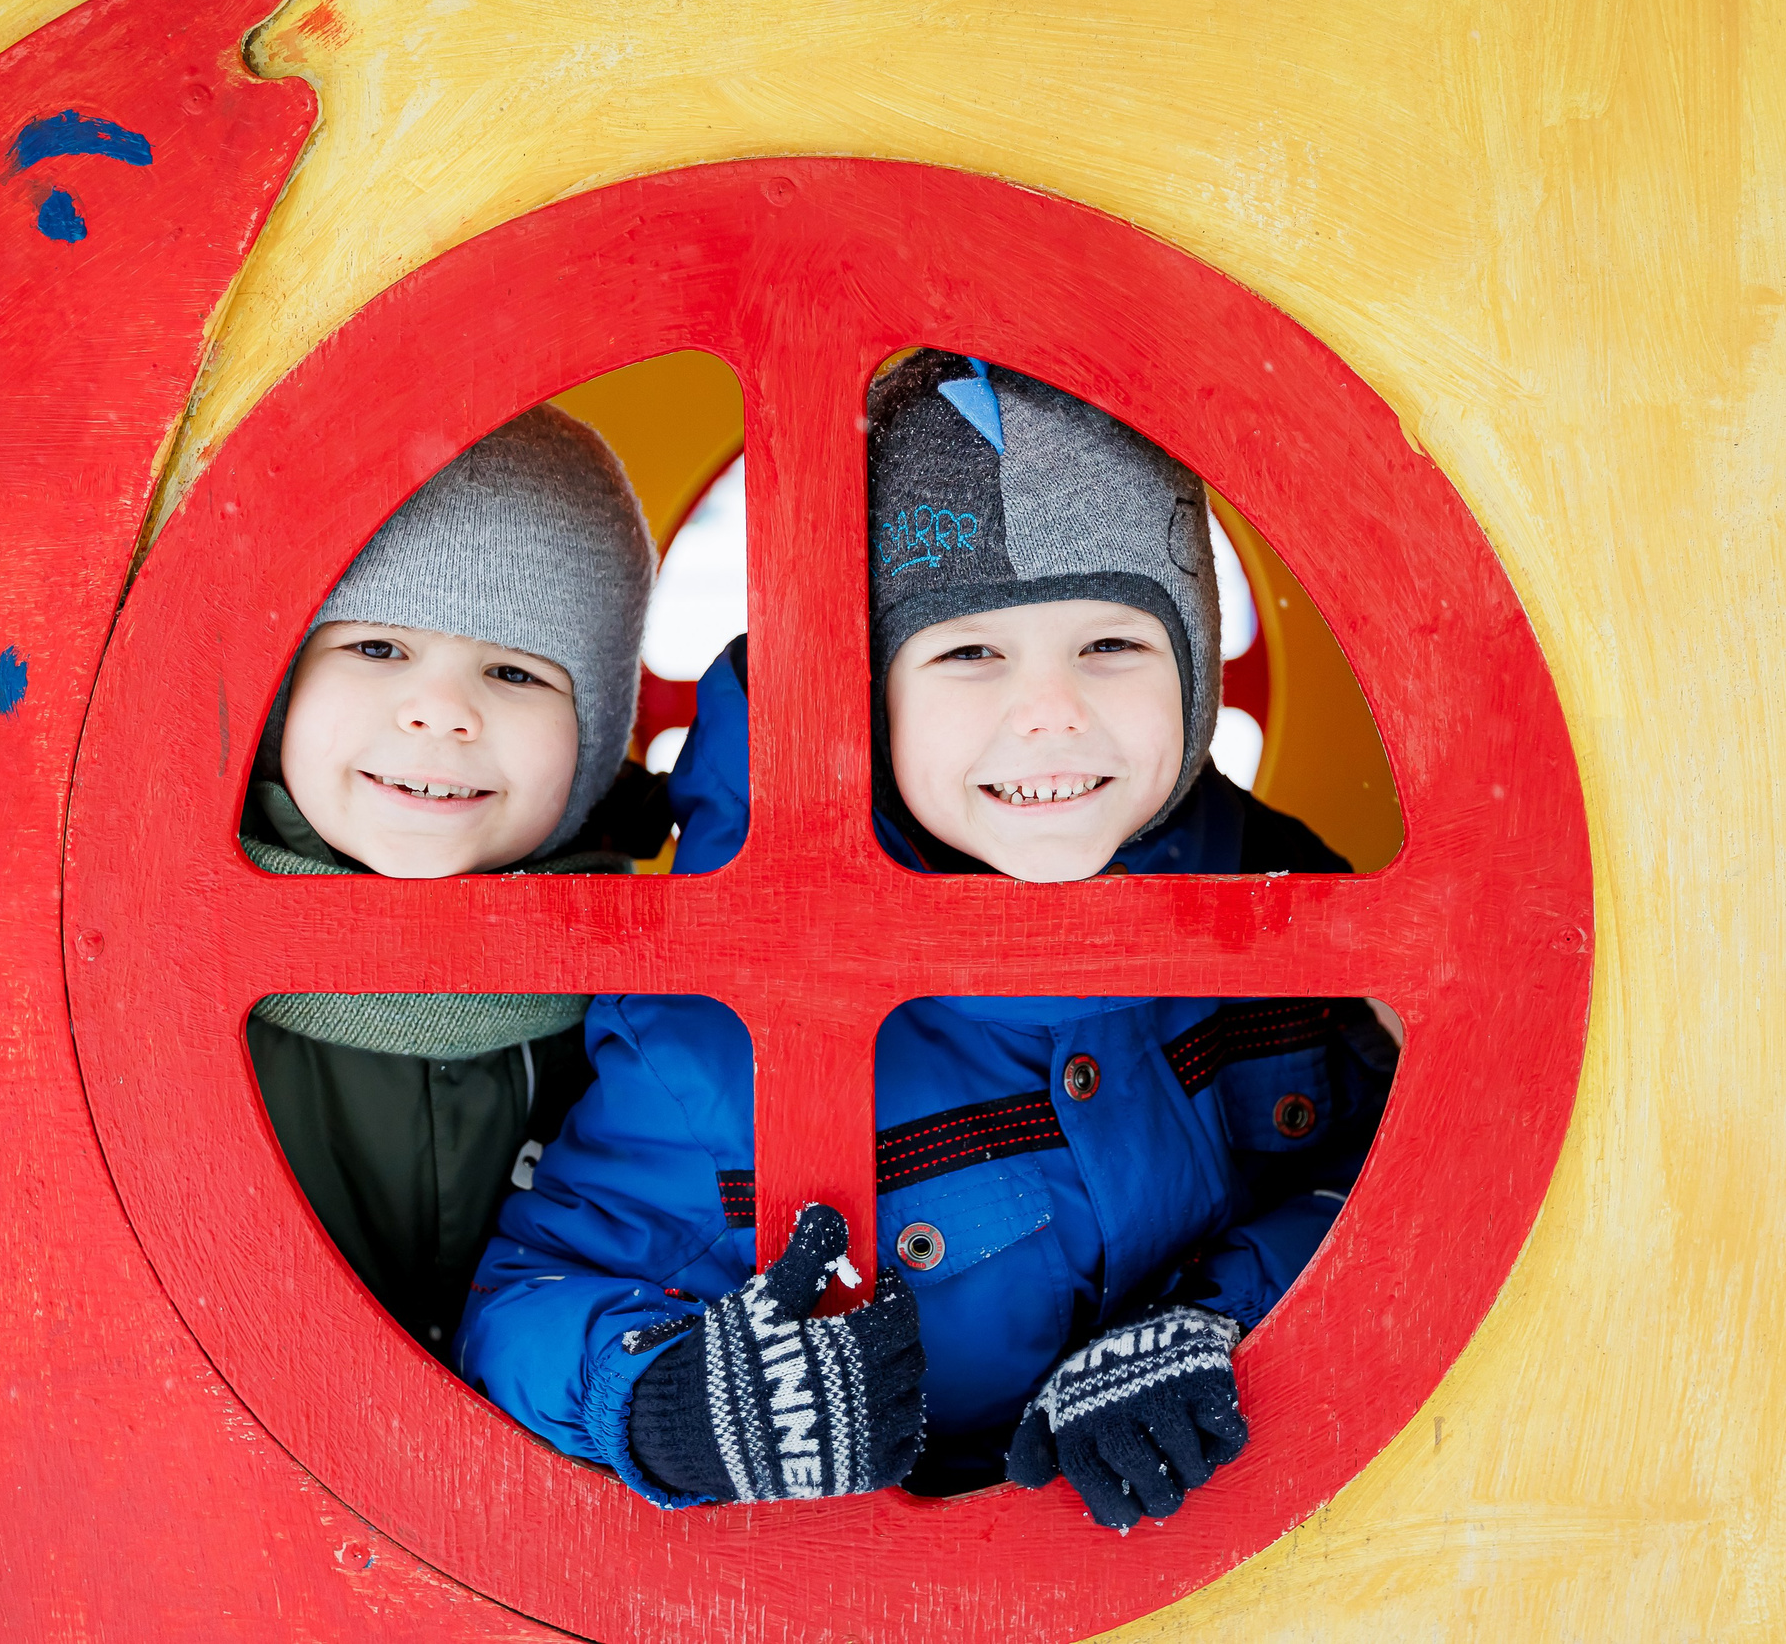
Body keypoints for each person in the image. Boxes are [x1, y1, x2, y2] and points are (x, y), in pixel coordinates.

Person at [456, 354, 1399, 1529]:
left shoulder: (1286, 902)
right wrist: (666, 1395)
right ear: (867, 700)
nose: (1048, 711)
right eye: (968, 653)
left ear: (1195, 676)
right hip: (895, 1583)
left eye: (1111, 644)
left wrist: (1220, 1309)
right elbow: (524, 1300)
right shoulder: (715, 1025)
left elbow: (1404, 1168)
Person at [243, 405, 666, 1364]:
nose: (440, 712)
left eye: (513, 671)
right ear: (284, 683)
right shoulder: (153, 949)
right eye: (377, 648)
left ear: (595, 737)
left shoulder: (643, 995)